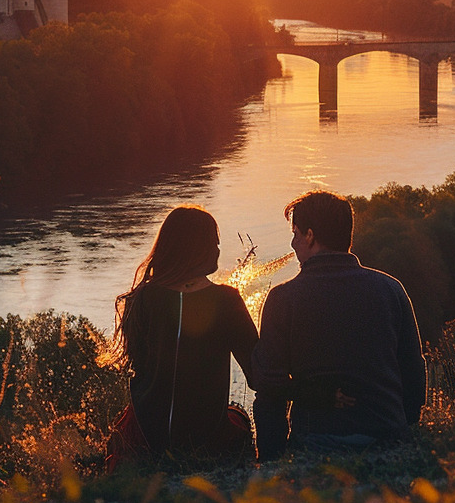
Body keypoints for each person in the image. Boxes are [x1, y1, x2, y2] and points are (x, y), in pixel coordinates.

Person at [253, 190, 426, 459]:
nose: (292, 243)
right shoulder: (391, 289)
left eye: (296, 233)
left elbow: (269, 388)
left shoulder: (282, 298)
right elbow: (413, 369)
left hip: (317, 440)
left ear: (310, 236)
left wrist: (271, 458)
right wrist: (403, 427)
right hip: (389, 435)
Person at [105, 205, 259, 469]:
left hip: (147, 437)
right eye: (214, 243)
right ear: (197, 250)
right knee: (239, 417)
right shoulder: (226, 300)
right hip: (208, 441)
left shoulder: (141, 299)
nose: (218, 250)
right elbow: (258, 375)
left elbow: (140, 368)